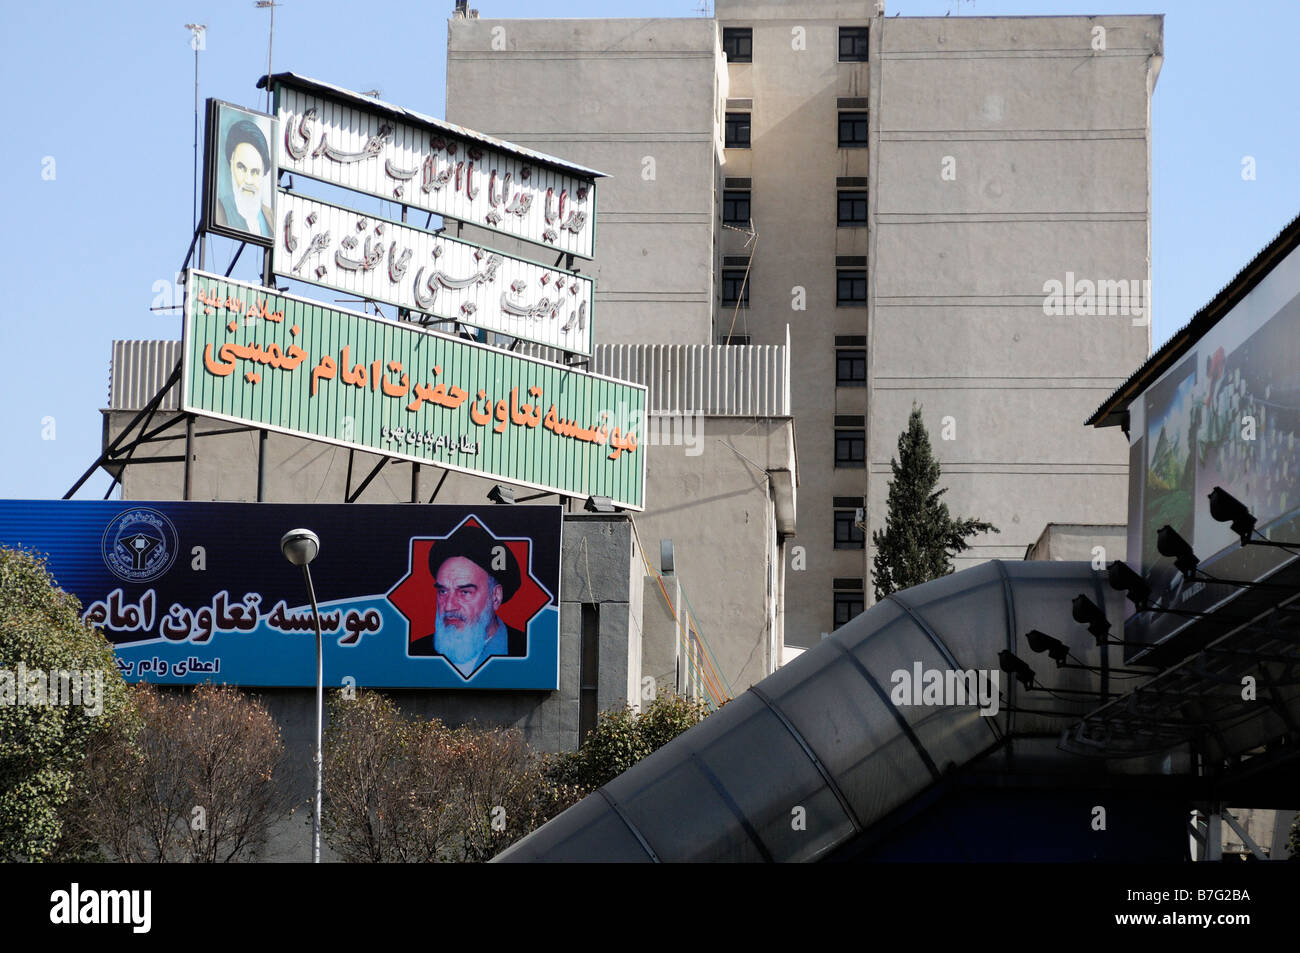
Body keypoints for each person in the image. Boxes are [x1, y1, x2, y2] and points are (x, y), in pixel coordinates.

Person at [408, 522, 526, 677]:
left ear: (495, 596)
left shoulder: (526, 650)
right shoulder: (417, 652)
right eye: (443, 591)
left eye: (464, 592)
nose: (449, 606)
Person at [214, 118, 273, 239]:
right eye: (242, 168)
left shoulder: (271, 217)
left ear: (263, 173)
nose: (248, 180)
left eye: (255, 172)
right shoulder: (219, 210)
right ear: (231, 165)